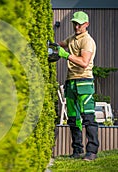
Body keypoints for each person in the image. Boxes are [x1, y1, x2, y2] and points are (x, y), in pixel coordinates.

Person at [57, 11, 99, 161]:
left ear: (86, 24)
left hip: (84, 82)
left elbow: (84, 62)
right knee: (73, 119)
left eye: (79, 24)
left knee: (88, 118)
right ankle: (77, 151)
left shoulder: (87, 41)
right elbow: (60, 45)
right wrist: (51, 46)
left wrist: (65, 55)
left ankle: (92, 151)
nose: (76, 26)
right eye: (75, 23)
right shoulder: (73, 38)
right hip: (71, 82)